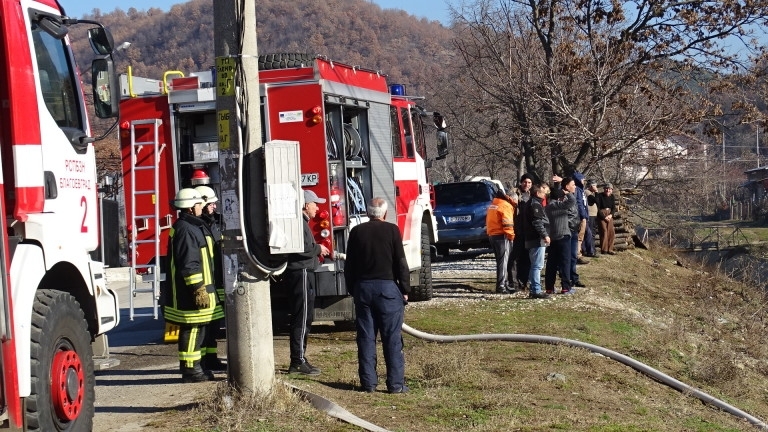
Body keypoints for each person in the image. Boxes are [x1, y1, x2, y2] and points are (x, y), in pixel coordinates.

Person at [345, 197, 410, 393]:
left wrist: (353, 289)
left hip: (363, 289)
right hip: (387, 289)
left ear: (367, 213)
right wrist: (405, 289)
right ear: (384, 213)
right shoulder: (392, 230)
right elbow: (400, 262)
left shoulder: (356, 232)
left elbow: (349, 266)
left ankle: (368, 383)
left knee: (366, 337)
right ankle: (395, 385)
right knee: (392, 338)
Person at [163, 188, 217, 383]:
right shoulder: (186, 229)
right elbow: (189, 263)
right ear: (190, 207)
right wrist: (197, 288)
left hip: (198, 289)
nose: (202, 206)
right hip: (189, 293)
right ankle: (191, 371)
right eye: (199, 203)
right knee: (192, 329)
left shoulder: (192, 226)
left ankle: (199, 366)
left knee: (199, 329)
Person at [284, 189, 331, 375]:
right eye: (315, 204)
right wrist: (318, 248)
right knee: (302, 317)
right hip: (300, 272)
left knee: (305, 317)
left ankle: (300, 357)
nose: (317, 208)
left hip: (304, 271)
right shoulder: (298, 223)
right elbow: (300, 248)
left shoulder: (302, 222)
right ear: (305, 205)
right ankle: (297, 361)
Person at [194, 185, 226, 372]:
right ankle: (204, 361)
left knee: (214, 323)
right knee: (205, 325)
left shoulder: (218, 221)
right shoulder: (197, 225)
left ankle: (212, 358)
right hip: (208, 281)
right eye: (211, 203)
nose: (214, 206)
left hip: (219, 280)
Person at [545, 176, 577, 295]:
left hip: (552, 237)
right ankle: (565, 287)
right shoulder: (558, 205)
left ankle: (549, 287)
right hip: (563, 236)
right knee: (565, 262)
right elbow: (572, 201)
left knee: (551, 263)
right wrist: (567, 193)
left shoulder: (547, 207)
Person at [486, 187, 517, 294]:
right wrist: (512, 237)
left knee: (500, 262)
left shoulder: (494, 203)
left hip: (492, 234)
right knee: (503, 262)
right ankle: (501, 286)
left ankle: (503, 284)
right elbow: (508, 224)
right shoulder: (505, 205)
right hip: (502, 236)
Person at [524, 184, 551, 299]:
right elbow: (537, 222)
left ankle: (533, 288)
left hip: (531, 238)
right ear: (537, 193)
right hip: (536, 238)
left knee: (534, 265)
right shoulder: (535, 205)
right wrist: (545, 235)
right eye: (543, 192)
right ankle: (536, 290)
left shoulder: (531, 203)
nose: (545, 195)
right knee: (537, 266)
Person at [511, 173, 533, 292]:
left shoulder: (531, 195)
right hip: (516, 231)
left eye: (529, 182)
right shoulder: (515, 194)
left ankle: (524, 282)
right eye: (525, 182)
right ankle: (514, 282)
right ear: (521, 182)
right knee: (515, 258)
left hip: (527, 231)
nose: (527, 184)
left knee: (527, 258)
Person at [572, 172, 590, 266]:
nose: (584, 181)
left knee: (581, 237)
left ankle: (578, 254)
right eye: (582, 179)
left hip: (584, 216)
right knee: (579, 236)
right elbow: (579, 204)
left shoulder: (581, 190)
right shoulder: (577, 190)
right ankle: (577, 255)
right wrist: (583, 216)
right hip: (580, 217)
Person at [595, 183, 617, 255]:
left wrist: (611, 215)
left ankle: (610, 249)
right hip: (602, 214)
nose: (608, 190)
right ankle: (604, 250)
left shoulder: (612, 196)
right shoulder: (599, 196)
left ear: (612, 190)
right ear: (604, 189)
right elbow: (597, 208)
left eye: (609, 189)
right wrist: (604, 217)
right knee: (604, 231)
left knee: (611, 231)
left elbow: (614, 207)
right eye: (606, 189)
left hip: (609, 214)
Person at [583, 180, 599, 257]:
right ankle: (588, 250)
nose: (596, 187)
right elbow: (595, 200)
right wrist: (596, 192)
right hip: (590, 214)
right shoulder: (587, 192)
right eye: (594, 185)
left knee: (592, 232)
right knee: (589, 233)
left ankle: (591, 249)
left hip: (593, 214)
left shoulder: (591, 193)